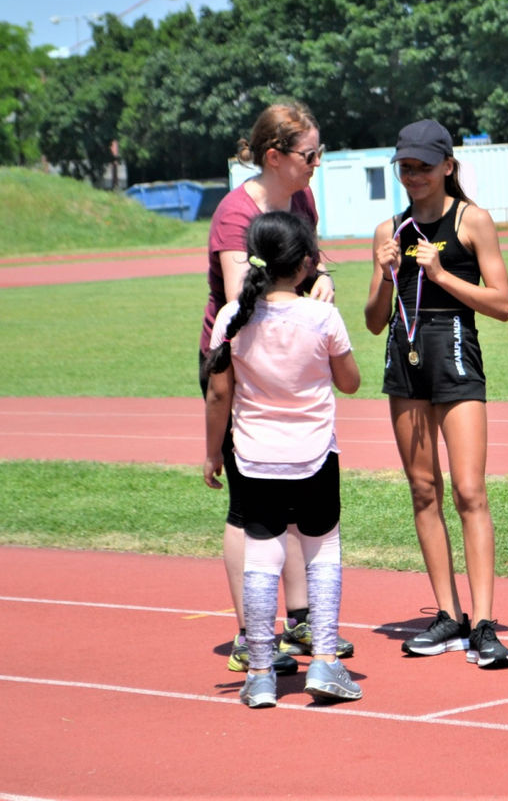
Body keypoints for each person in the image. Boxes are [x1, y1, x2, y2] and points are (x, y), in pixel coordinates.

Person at [200, 101, 352, 675]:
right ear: (274, 156)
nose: (317, 163)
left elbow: (308, 264)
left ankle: (301, 618)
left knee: (295, 491)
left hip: (291, 353)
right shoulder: (235, 214)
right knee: (250, 506)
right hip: (241, 362)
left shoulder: (302, 199)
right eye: (309, 154)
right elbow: (241, 301)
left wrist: (324, 280)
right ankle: (250, 633)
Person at [363, 119, 508, 669]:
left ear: (447, 166)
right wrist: (386, 273)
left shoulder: (472, 220)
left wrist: (443, 273)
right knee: (423, 489)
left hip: (455, 356)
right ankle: (449, 616)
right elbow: (374, 321)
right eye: (405, 167)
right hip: (403, 362)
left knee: (469, 491)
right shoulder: (389, 229)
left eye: (424, 167)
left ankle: (485, 623)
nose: (414, 176)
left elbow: (502, 304)